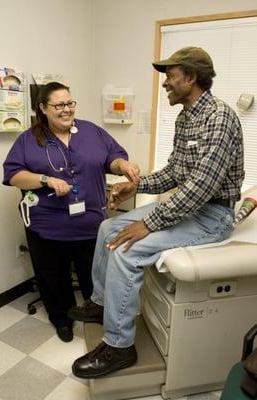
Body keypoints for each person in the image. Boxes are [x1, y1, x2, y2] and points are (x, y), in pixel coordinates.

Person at [68, 46, 244, 377]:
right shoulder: (186, 118)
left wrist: (150, 222)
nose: (165, 84)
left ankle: (120, 347)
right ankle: (103, 304)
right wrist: (137, 186)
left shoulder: (219, 118)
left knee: (126, 248)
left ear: (190, 78)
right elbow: (176, 173)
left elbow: (202, 187)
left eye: (170, 77)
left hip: (214, 217)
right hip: (191, 209)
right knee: (108, 229)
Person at [3, 81, 139, 342]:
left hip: (90, 224)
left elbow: (113, 156)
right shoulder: (28, 140)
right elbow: (14, 175)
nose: (67, 110)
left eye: (70, 103)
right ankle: (62, 319)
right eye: (59, 105)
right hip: (48, 226)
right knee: (53, 277)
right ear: (43, 108)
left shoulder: (92, 132)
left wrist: (123, 165)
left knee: (94, 274)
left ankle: (95, 312)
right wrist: (45, 180)